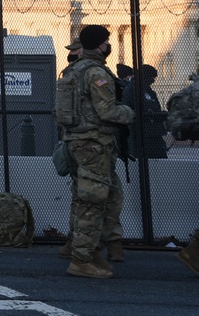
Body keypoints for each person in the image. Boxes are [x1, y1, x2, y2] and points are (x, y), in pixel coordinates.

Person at [62, 25, 135, 279]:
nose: (108, 45)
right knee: (91, 203)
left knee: (97, 198)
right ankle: (81, 259)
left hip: (76, 142)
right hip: (93, 144)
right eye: (106, 41)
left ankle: (90, 250)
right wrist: (129, 113)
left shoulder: (72, 71)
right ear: (101, 44)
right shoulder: (95, 73)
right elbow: (107, 111)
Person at [121, 65, 168, 159]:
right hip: (140, 135)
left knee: (160, 158)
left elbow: (156, 108)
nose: (153, 80)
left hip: (155, 133)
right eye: (151, 77)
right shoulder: (131, 91)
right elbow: (127, 110)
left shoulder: (149, 91)